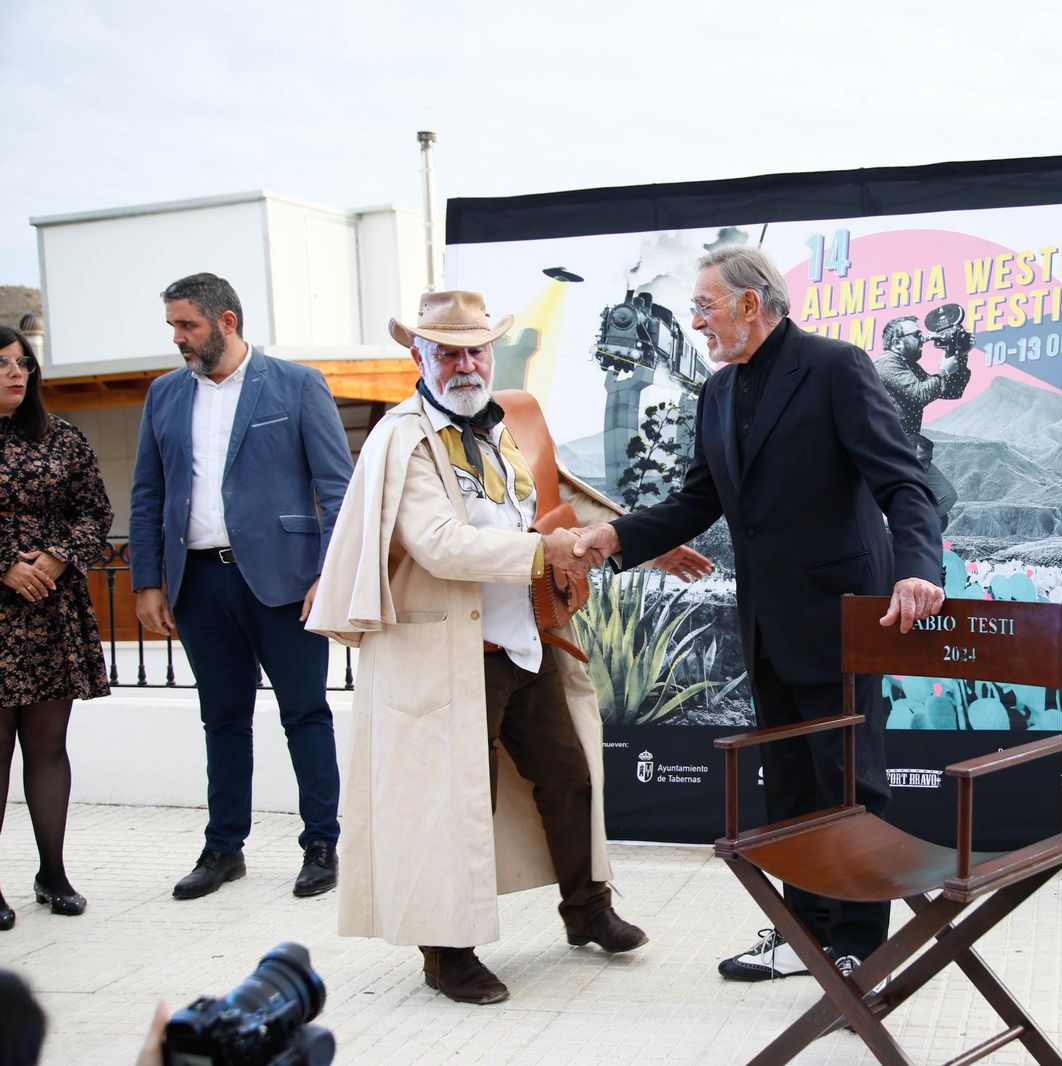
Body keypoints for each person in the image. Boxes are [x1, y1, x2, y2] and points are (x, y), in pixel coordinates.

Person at [307, 290, 709, 1005]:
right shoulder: (402, 440)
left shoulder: (508, 420)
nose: (465, 365)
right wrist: (549, 550)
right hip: (445, 657)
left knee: (569, 778)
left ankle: (587, 910)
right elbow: (440, 545)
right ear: (419, 357)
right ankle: (446, 954)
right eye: (448, 352)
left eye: (476, 350)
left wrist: (642, 543)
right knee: (454, 803)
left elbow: (561, 499)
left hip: (526, 642)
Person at [572, 246, 946, 984]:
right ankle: (802, 936)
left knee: (849, 786)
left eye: (704, 307)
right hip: (768, 626)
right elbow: (697, 500)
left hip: (842, 620)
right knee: (791, 786)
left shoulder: (836, 368)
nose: (695, 322)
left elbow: (904, 485)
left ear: (751, 304)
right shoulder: (717, 392)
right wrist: (617, 537)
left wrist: (917, 572)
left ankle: (860, 948)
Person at [129, 274, 351, 901]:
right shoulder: (164, 394)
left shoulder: (296, 384)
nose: (178, 338)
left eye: (188, 325)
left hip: (286, 582)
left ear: (226, 321)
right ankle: (224, 848)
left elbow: (338, 488)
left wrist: (328, 574)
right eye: (173, 326)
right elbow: (147, 493)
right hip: (198, 582)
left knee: (305, 713)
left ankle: (321, 844)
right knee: (222, 719)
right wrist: (148, 582)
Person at [0, 325, 112, 929]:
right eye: (2, 364)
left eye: (23, 364)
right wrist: (5, 565)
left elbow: (95, 511)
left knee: (47, 747)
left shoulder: (61, 436)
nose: (16, 374)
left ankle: (53, 873)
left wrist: (58, 556)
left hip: (50, 610)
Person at [873, 314, 971, 529]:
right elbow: (920, 394)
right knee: (934, 504)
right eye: (916, 335)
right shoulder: (886, 363)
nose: (923, 338)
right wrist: (943, 369)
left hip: (908, 448)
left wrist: (959, 356)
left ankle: (898, 531)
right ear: (897, 342)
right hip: (890, 448)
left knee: (944, 499)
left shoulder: (909, 366)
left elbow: (952, 391)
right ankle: (886, 529)